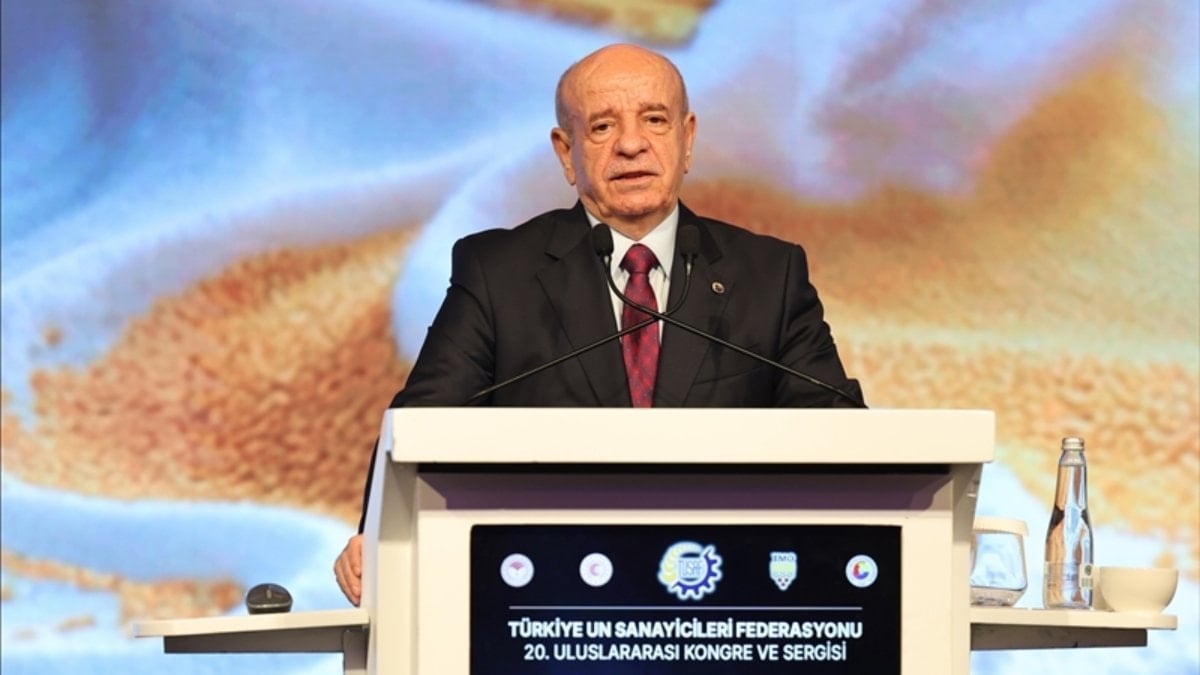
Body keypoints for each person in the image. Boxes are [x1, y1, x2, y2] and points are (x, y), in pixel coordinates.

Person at [333, 43, 863, 606]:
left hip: (726, 591)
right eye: (603, 126)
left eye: (654, 120)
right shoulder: (498, 273)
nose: (631, 144)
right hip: (550, 593)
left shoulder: (769, 274)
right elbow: (423, 424)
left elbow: (836, 430)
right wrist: (378, 535)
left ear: (687, 138)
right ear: (566, 153)